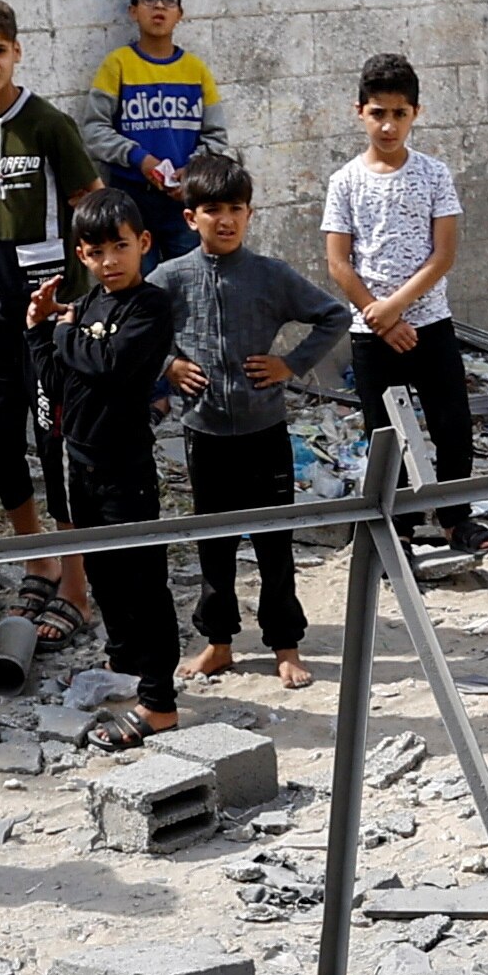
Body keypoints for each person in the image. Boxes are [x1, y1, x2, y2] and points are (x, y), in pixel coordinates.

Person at [152, 152, 351, 691]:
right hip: (206, 433)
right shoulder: (171, 277)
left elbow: (333, 315)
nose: (225, 219)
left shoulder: (269, 276)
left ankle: (285, 645)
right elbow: (138, 329)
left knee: (273, 541)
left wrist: (291, 363)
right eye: (212, 209)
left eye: (236, 208)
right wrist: (169, 365)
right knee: (213, 543)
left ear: (250, 214)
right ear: (190, 216)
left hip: (264, 432)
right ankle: (218, 643)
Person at [0, 0, 101, 635]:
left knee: (55, 439)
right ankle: (36, 562)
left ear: (17, 52)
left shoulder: (49, 125)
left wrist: (74, 303)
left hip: (50, 310)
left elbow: (90, 204)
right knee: (2, 438)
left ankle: (79, 582)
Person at [321, 53, 488, 556]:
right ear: (360, 112)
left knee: (451, 424)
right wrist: (378, 318)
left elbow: (443, 254)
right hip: (372, 333)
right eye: (378, 113)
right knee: (384, 434)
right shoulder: (345, 182)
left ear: (415, 114)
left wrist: (396, 308)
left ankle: (455, 519)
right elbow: (339, 262)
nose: (388, 124)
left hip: (429, 325)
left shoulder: (434, 174)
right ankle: (394, 525)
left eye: (399, 114)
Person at [25, 190, 181, 751]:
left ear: (143, 244)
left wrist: (65, 333)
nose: (111, 260)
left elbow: (110, 366)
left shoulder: (150, 306)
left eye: (121, 246)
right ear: (81, 255)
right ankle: (124, 668)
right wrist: (39, 326)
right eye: (97, 251)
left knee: (144, 583)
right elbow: (55, 377)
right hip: (81, 464)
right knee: (108, 580)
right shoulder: (87, 307)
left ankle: (160, 704)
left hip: (125, 469)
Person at [77, 0, 227, 265]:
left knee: (189, 282)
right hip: (131, 199)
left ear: (180, 13)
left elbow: (216, 137)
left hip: (183, 202)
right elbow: (94, 130)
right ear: (134, 11)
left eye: (168, 0)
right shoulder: (118, 65)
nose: (159, 6)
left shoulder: (196, 71)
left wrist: (192, 169)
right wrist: (139, 159)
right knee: (138, 287)